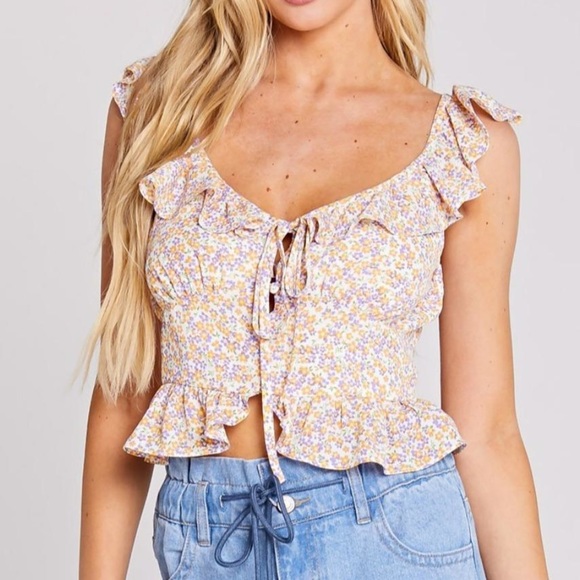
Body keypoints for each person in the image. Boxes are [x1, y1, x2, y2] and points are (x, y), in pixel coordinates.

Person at [77, 0, 549, 578]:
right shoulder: (157, 112)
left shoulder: (462, 145)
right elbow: (124, 385)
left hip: (394, 542)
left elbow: (488, 431)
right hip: (212, 542)